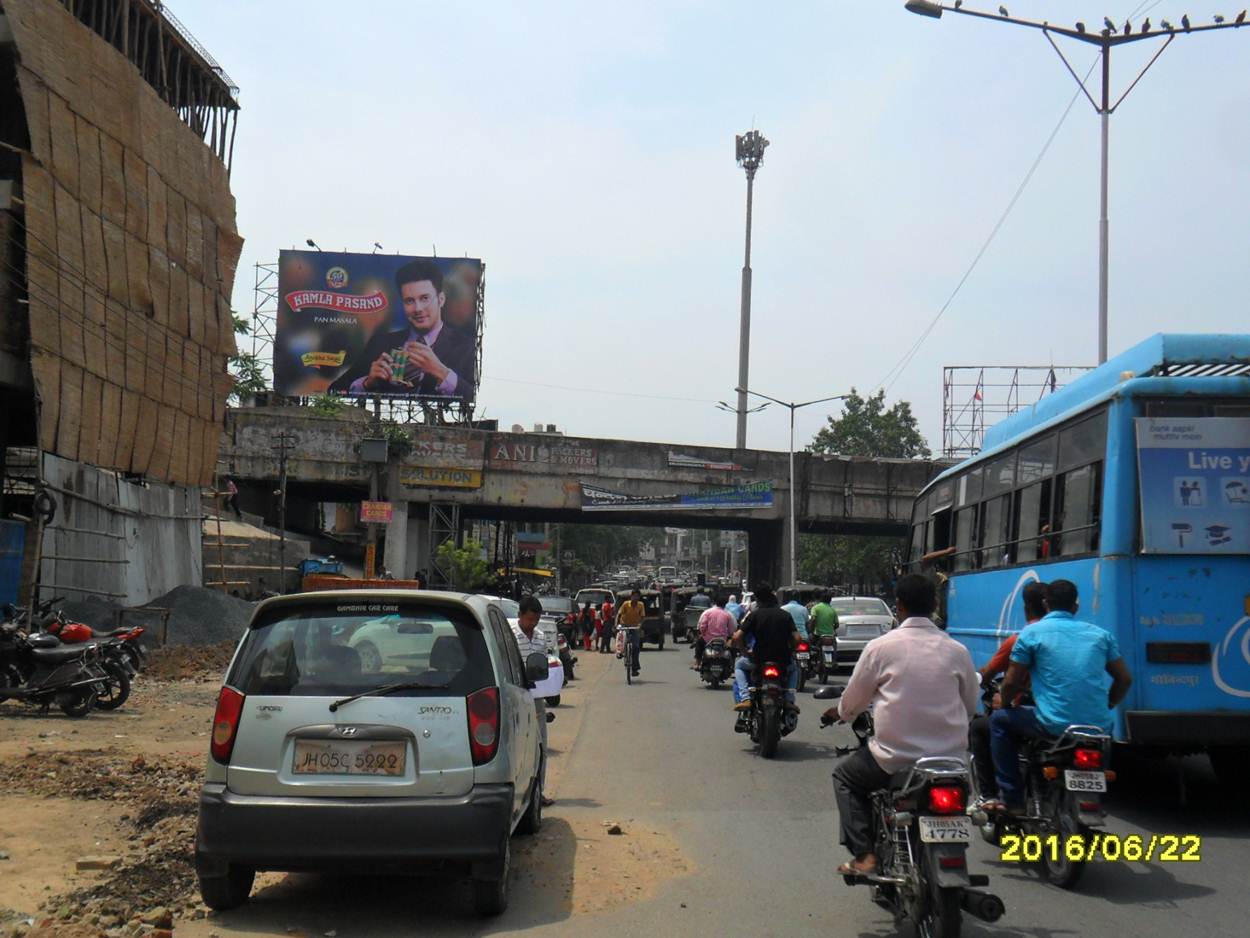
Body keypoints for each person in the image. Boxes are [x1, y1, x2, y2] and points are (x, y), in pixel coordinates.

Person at [823, 574, 978, 875]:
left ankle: (865, 855)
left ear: (899, 607)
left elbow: (853, 704)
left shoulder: (881, 648)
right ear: (935, 605)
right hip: (950, 764)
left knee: (844, 777)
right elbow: (970, 706)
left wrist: (840, 713)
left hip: (894, 760)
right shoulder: (957, 651)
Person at [987, 579, 1133, 814]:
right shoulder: (1100, 635)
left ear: (1046, 604)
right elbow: (1124, 679)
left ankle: (1012, 798)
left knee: (998, 721)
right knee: (1104, 732)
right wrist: (1108, 704)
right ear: (1075, 607)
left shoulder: (1031, 633)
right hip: (1097, 727)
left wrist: (1002, 703)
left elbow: (1012, 681)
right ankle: (1095, 794)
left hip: (1052, 725)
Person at [329, 259, 475, 399]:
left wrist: (441, 372)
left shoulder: (466, 347)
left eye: (425, 298)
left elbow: (474, 396)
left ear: (441, 299)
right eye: (409, 301)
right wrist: (367, 383)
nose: (418, 309)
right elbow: (333, 391)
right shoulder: (380, 343)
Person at [968, 581, 1048, 805]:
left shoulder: (1021, 638)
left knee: (985, 725)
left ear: (1026, 609)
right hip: (1081, 718)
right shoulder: (1086, 635)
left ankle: (996, 796)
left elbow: (1002, 678)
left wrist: (1002, 699)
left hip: (1039, 714)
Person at [730, 583, 801, 716]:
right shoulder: (785, 615)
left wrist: (743, 650)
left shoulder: (754, 615)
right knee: (794, 668)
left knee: (739, 665)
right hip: (782, 659)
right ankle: (789, 700)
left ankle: (745, 698)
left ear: (757, 599)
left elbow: (738, 637)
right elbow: (797, 638)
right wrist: (791, 650)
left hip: (758, 659)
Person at [512, 595, 555, 807]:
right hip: (514, 698)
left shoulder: (539, 637)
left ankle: (539, 791)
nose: (533, 624)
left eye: (536, 620)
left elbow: (543, 664)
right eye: (530, 619)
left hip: (536, 699)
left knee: (540, 747)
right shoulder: (509, 635)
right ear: (520, 615)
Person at [691, 595, 735, 668]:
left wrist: (703, 633)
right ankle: (732, 664)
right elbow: (731, 629)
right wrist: (729, 636)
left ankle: (697, 663)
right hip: (723, 640)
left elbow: (702, 626)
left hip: (708, 639)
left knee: (699, 643)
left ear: (714, 602)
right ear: (725, 604)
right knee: (733, 647)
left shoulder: (707, 612)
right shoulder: (728, 614)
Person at [616, 589, 646, 677]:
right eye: (634, 596)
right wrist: (616, 624)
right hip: (624, 624)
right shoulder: (626, 604)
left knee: (636, 647)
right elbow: (619, 614)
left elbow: (643, 617)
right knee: (621, 638)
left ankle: (634, 668)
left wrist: (640, 625)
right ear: (631, 596)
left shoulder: (641, 605)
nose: (635, 598)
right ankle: (619, 652)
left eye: (637, 596)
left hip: (635, 626)